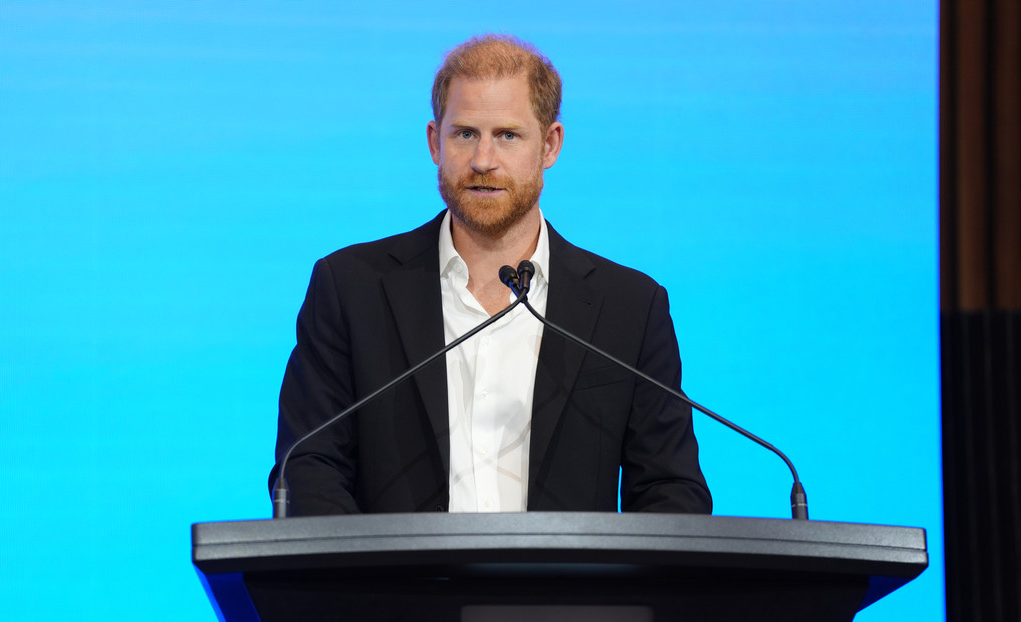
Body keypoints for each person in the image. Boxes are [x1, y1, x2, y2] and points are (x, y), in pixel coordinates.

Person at [270, 34, 712, 516]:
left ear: (549, 145)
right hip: (396, 568)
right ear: (434, 142)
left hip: (568, 571)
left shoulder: (628, 308)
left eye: (507, 135)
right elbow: (309, 467)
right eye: (464, 134)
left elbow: (671, 491)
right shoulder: (351, 289)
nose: (483, 160)